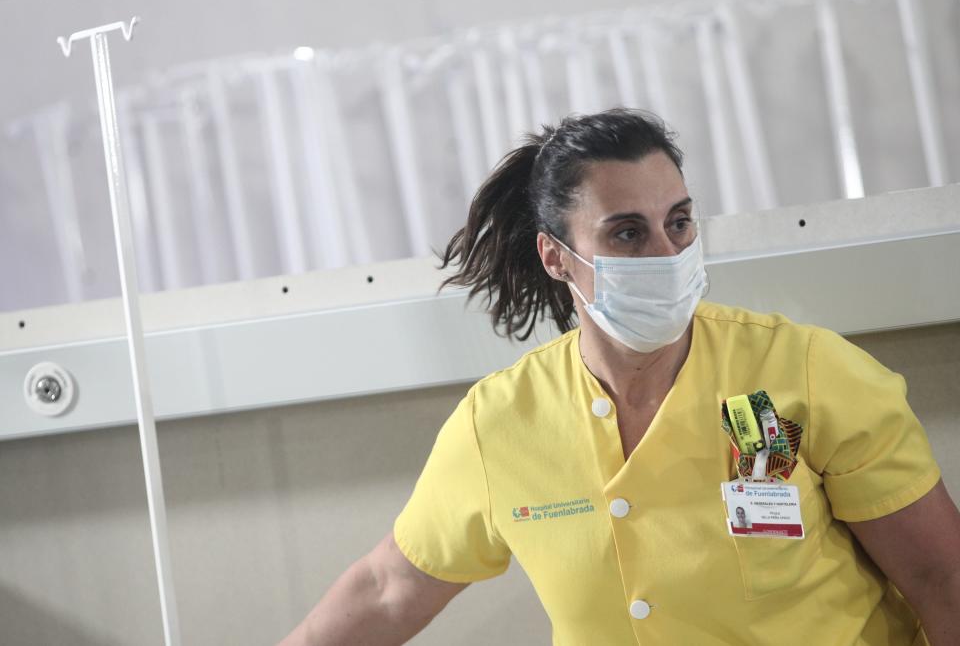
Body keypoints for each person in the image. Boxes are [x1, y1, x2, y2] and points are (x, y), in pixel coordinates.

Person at [277, 109, 960, 645]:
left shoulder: (800, 375)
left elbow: (942, 576)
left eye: (679, 222)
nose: (667, 253)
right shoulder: (503, 422)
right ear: (556, 256)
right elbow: (387, 588)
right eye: (628, 233)